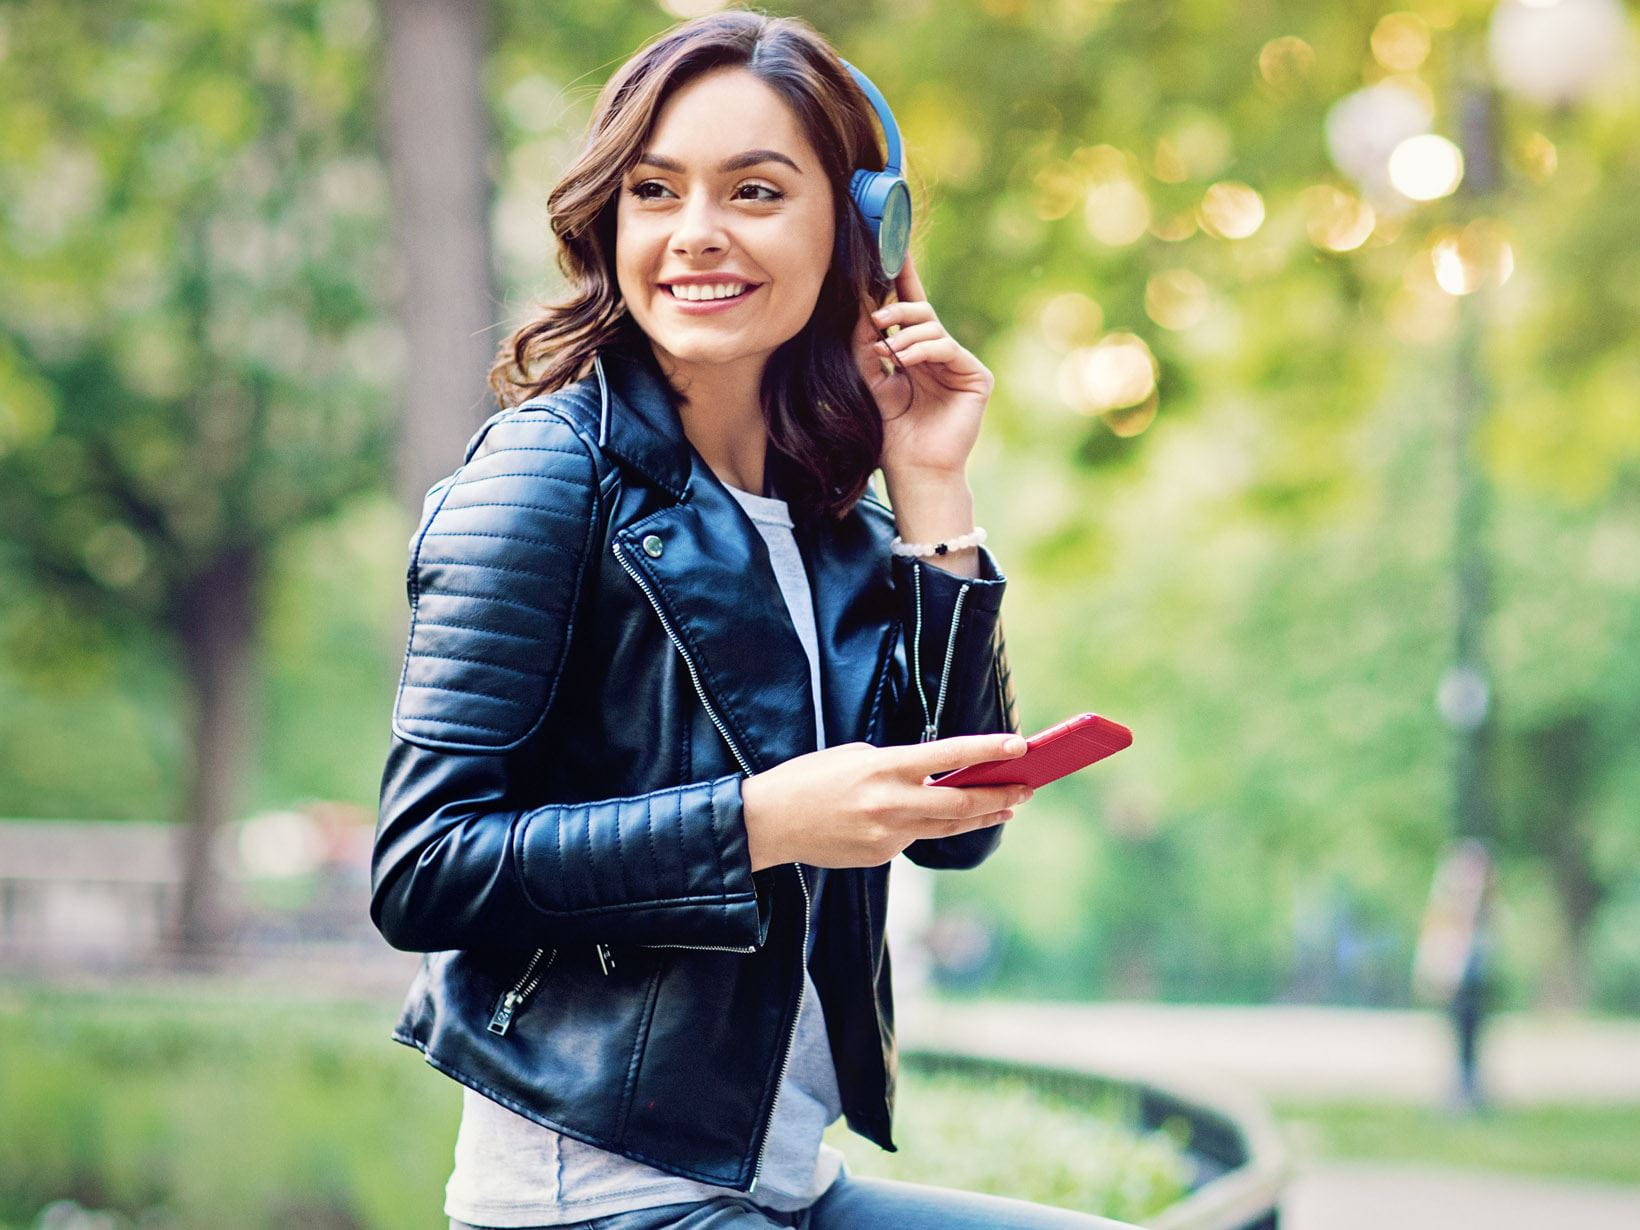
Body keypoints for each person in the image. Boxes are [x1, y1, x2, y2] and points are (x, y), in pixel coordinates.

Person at [369, 10, 1135, 1229]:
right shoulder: (543, 475)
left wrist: (931, 485)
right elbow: (423, 869)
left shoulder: (838, 522)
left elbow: (950, 840)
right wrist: (762, 823)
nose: (694, 236)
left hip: (788, 1182)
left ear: (860, 231)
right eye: (655, 191)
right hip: (597, 1200)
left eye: (755, 191)